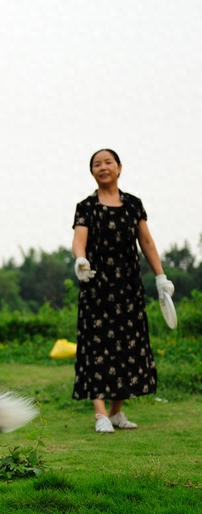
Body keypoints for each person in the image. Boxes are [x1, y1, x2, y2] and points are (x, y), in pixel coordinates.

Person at [72, 149, 174, 433]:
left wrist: (160, 276)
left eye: (108, 162)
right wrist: (80, 260)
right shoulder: (86, 206)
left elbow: (148, 243)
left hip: (128, 288)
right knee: (97, 347)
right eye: (97, 164)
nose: (103, 167)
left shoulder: (133, 205)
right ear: (92, 171)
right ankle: (100, 414)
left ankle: (116, 412)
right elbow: (79, 239)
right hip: (96, 288)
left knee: (128, 347)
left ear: (119, 167)